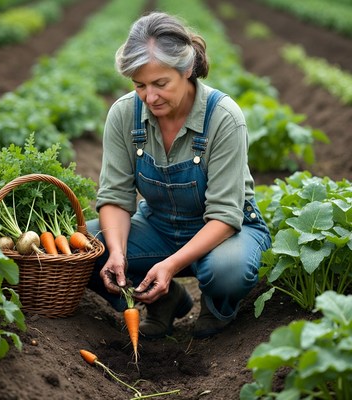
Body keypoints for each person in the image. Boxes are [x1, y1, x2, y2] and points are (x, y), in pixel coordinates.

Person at [86, 11, 271, 339]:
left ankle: (217, 308)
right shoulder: (124, 113)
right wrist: (116, 252)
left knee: (228, 270)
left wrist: (170, 265)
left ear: (186, 70)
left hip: (224, 232)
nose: (150, 97)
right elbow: (115, 196)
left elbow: (226, 216)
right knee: (86, 251)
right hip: (159, 227)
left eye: (160, 84)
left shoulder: (223, 118)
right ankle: (167, 300)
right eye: (139, 85)